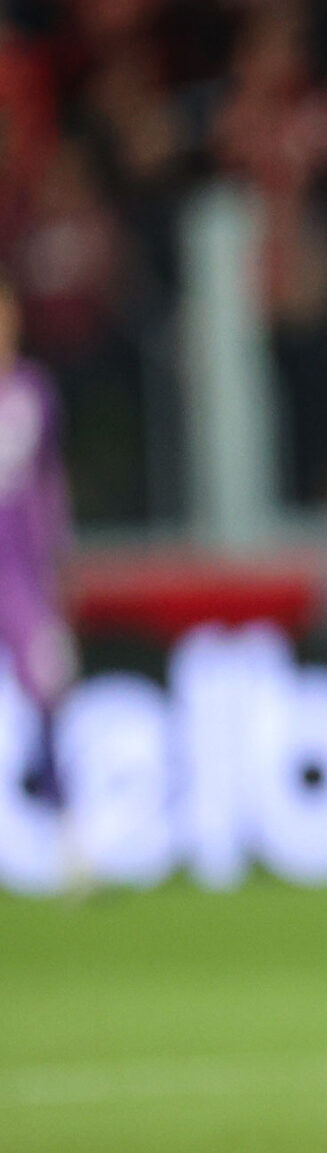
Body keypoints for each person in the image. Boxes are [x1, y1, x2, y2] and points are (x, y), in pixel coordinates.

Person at [0, 277, 79, 807]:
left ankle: (56, 806)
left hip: (21, 567)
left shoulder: (33, 391)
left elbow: (50, 479)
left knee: (48, 680)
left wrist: (59, 553)